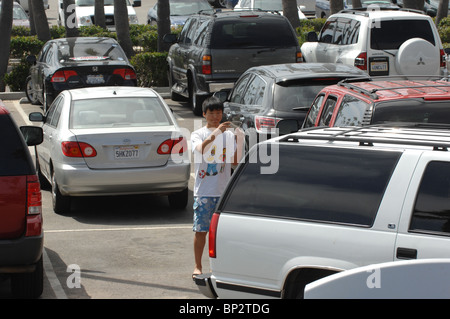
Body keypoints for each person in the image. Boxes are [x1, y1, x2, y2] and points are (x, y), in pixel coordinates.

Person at [190, 96, 244, 278]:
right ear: (204, 114)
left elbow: (235, 162)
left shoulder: (228, 135)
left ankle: (217, 267)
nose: (215, 116)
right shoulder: (197, 134)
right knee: (201, 231)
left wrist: (240, 140)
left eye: (218, 113)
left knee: (220, 234)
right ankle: (198, 266)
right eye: (211, 113)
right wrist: (217, 133)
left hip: (223, 192)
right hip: (204, 192)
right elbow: (202, 150)